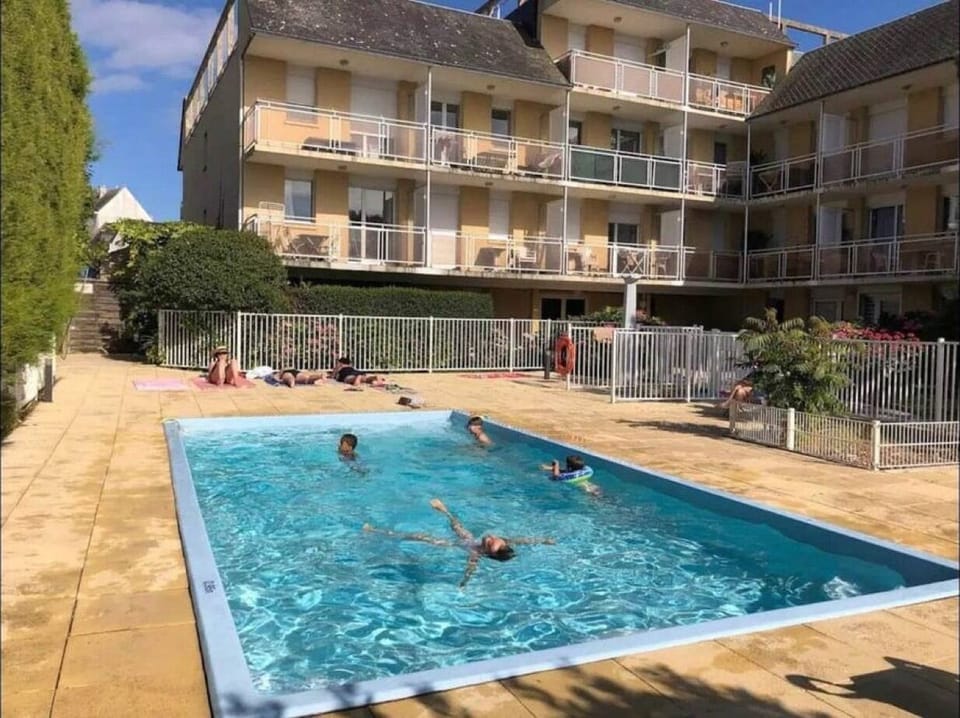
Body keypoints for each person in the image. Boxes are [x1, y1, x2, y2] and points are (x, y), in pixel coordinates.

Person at [363, 498, 555, 589]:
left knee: (419, 536)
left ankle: (375, 531)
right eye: (494, 538)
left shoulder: (476, 553)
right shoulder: (503, 542)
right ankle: (444, 510)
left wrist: (463, 584)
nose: (489, 538)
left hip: (457, 544)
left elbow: (470, 569)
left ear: (488, 552)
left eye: (489, 543)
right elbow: (523, 540)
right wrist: (543, 540)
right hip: (468, 538)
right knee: (456, 524)